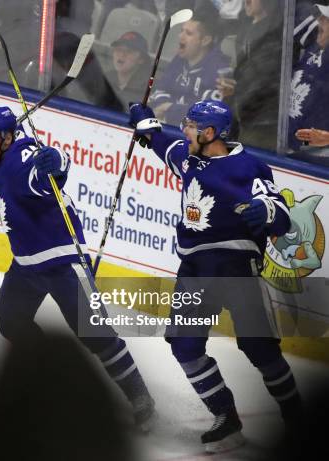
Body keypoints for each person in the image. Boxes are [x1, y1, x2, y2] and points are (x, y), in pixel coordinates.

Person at [128, 100, 301, 453]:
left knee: (260, 349)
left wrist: (265, 210)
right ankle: (225, 416)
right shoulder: (190, 158)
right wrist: (144, 122)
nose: (185, 131)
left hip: (238, 270)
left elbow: (281, 215)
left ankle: (297, 418)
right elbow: (162, 143)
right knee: (185, 345)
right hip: (194, 271)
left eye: (191, 126)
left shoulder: (250, 168)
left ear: (210, 133)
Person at [0, 106, 156, 428]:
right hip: (26, 266)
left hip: (63, 262)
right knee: (11, 320)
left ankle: (140, 396)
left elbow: (45, 171)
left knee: (96, 333)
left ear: (6, 138)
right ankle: (53, 377)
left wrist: (55, 165)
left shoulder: (20, 158)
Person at [216, 0, 283, 150]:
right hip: (242, 112)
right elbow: (242, 70)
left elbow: (264, 80)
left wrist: (236, 90)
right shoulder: (247, 26)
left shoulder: (274, 34)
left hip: (261, 122)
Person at [149, 10, 230, 125]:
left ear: (205, 40)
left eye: (188, 33)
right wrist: (170, 107)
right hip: (166, 123)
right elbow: (159, 91)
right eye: (181, 30)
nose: (180, 36)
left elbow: (208, 112)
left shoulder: (219, 70)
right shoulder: (179, 60)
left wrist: (169, 108)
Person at [288, 3, 329, 163]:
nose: (319, 19)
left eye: (326, 18)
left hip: (318, 158)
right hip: (290, 148)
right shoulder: (315, 47)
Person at [102, 31, 152, 112]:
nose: (121, 55)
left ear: (141, 59)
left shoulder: (149, 89)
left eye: (129, 51)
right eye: (118, 50)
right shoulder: (104, 79)